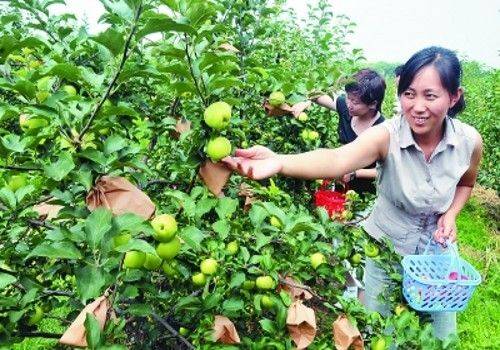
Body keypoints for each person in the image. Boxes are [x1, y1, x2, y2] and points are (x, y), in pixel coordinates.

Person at [223, 46, 483, 341]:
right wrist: (280, 161)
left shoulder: (469, 141)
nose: (417, 106)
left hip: (436, 252)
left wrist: (451, 213)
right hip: (386, 245)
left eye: (430, 95)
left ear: (454, 96)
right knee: (380, 331)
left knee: (443, 337)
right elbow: (336, 160)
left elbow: (466, 183)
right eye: (409, 94)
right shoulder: (387, 135)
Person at [291, 69, 386, 196]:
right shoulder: (345, 108)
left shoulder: (383, 129)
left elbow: (387, 171)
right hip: (342, 185)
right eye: (348, 97)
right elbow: (316, 95)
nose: (349, 104)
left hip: (367, 195)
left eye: (355, 102)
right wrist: (306, 101)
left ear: (373, 104)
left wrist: (355, 173)